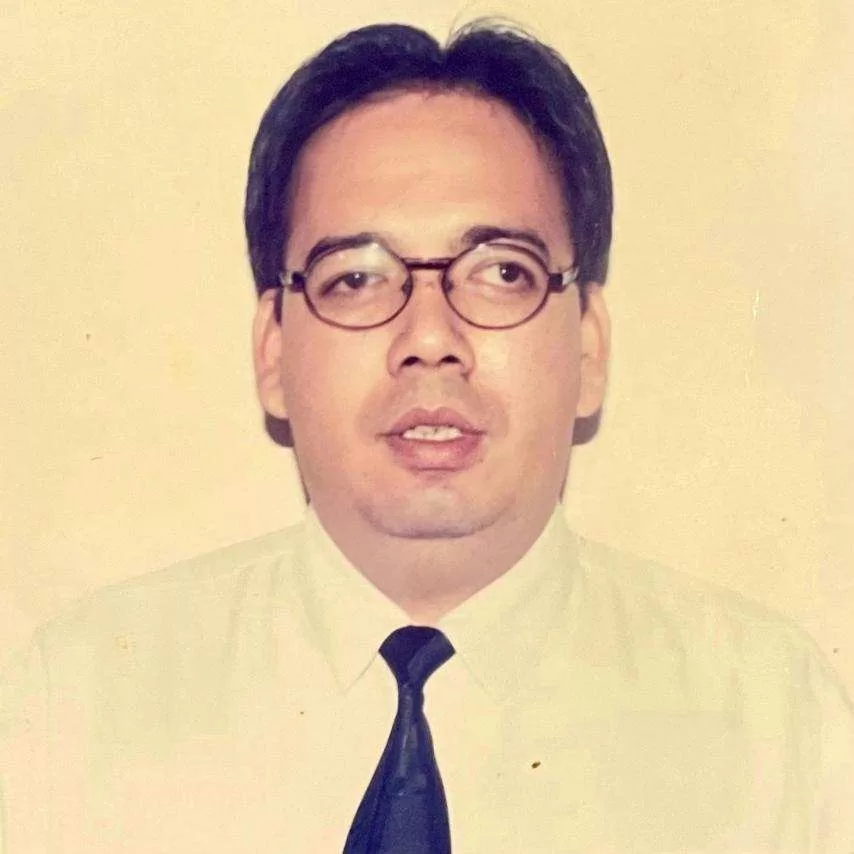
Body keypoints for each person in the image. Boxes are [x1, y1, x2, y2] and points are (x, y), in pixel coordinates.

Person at [1, 20, 852, 854]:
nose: (431, 336)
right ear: (273, 351)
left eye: (503, 272)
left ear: (589, 347)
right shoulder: (76, 706)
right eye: (356, 278)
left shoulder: (778, 729)